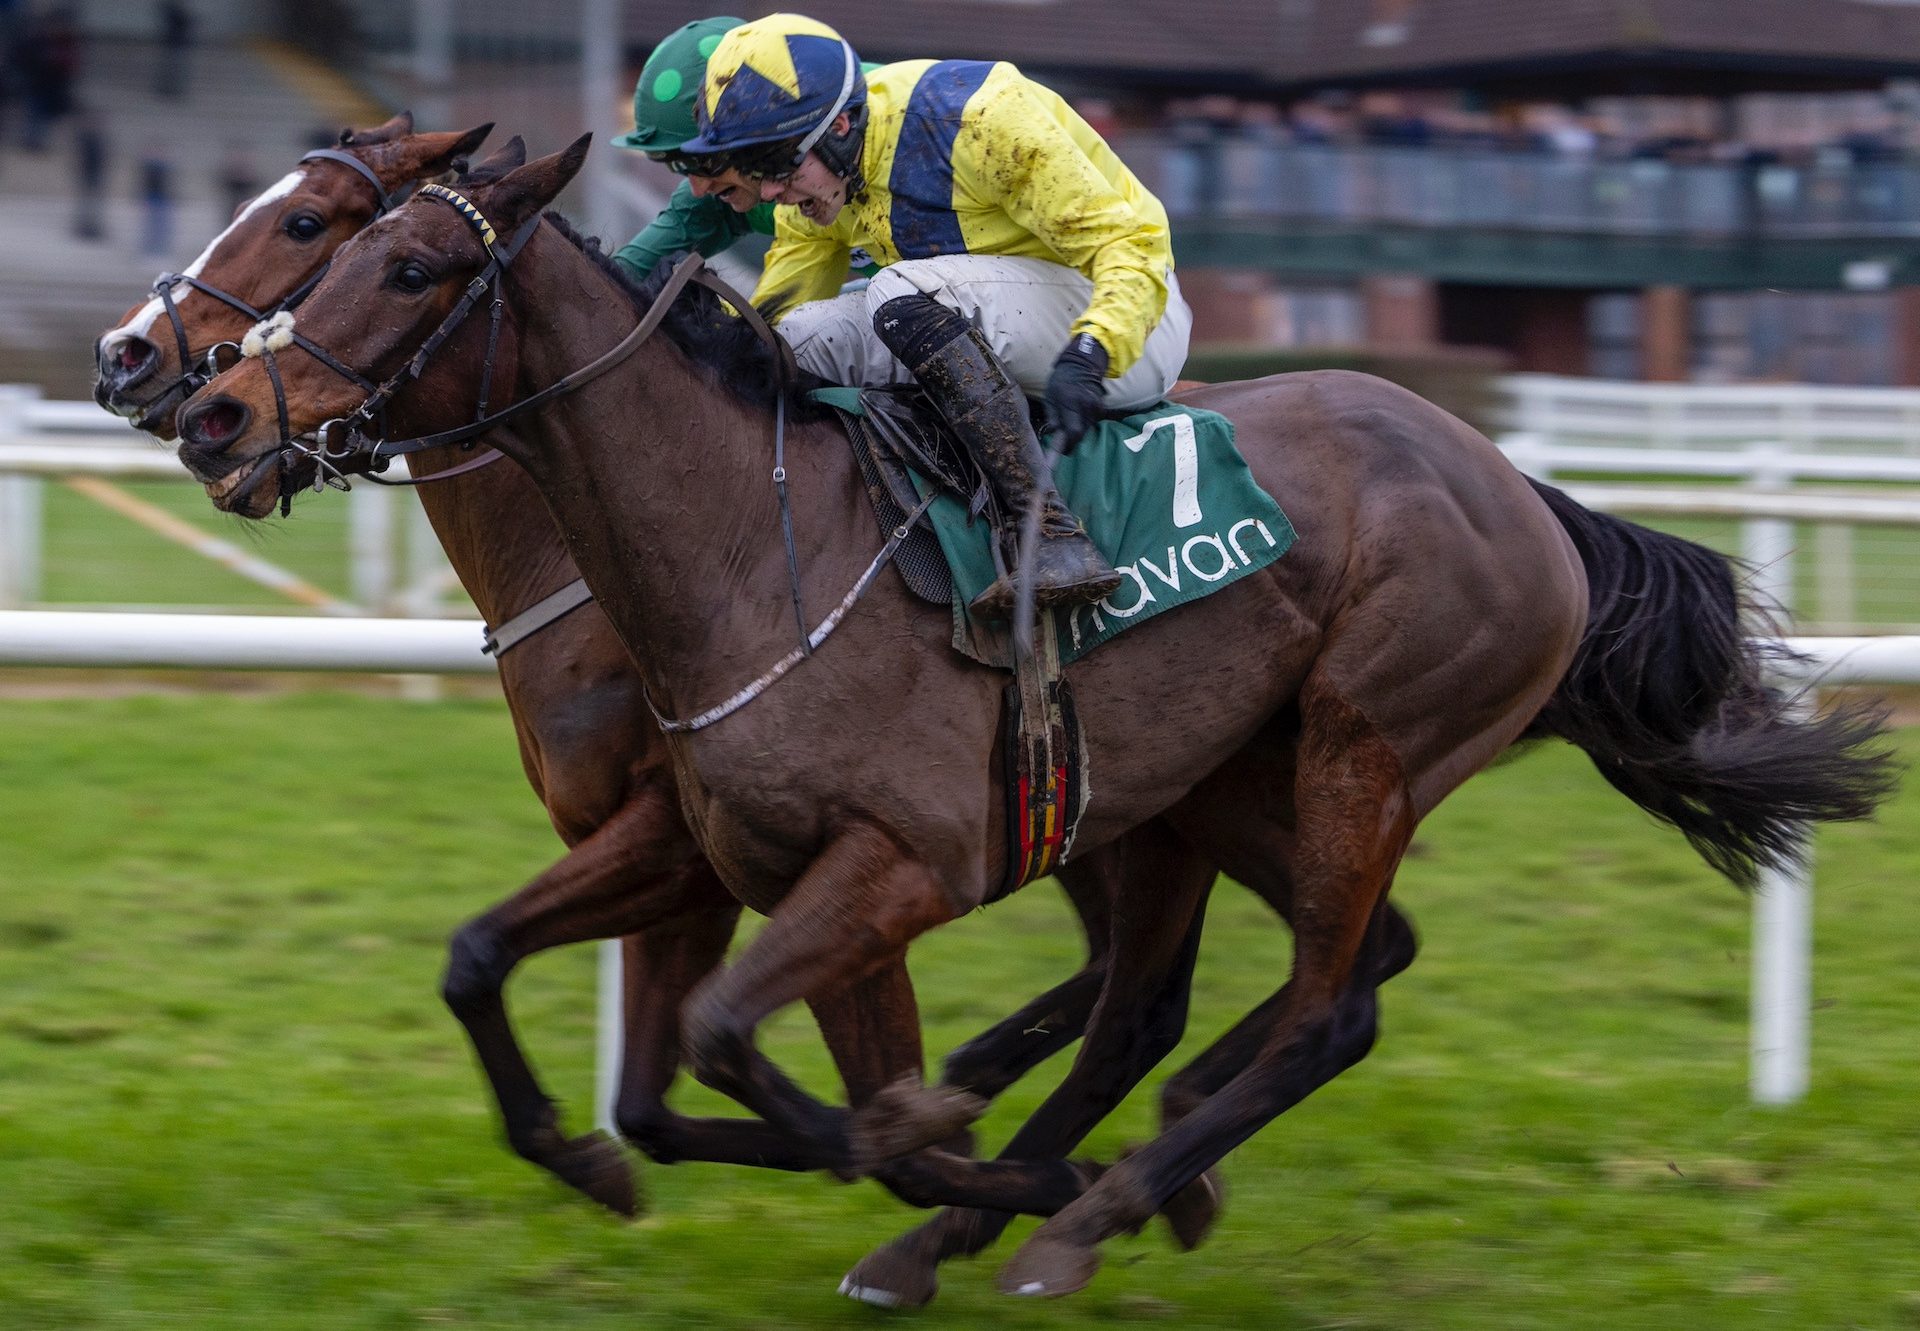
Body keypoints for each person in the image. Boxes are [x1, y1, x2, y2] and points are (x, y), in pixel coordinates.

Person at [680, 13, 1193, 615]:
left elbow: (1134, 245)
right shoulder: (811, 176)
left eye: (779, 169)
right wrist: (700, 343)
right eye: (757, 171)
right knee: (795, 342)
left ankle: (1049, 532)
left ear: (841, 125)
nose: (768, 194)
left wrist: (1093, 349)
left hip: (1130, 328)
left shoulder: (983, 118)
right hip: (982, 321)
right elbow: (782, 308)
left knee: (898, 292)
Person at [611, 16, 878, 287]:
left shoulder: (877, 127)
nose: (699, 188)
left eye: (706, 161)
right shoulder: (716, 198)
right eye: (681, 166)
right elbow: (612, 280)